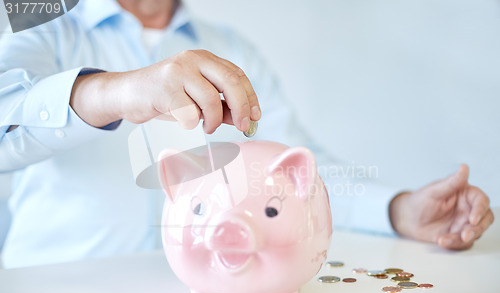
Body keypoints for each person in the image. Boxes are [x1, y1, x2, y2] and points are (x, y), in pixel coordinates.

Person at [0, 0, 493, 269]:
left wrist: (396, 208)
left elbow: (294, 173)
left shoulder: (229, 50)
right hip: (49, 291)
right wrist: (116, 92)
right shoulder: (38, 24)